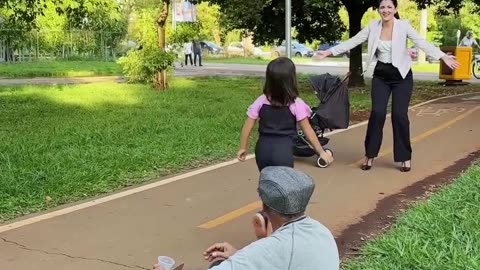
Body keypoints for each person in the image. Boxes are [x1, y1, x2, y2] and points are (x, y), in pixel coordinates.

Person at [314, 0, 459, 172]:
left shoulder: (403, 26)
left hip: (402, 76)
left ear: (395, 9)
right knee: (377, 113)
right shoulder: (373, 27)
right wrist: (329, 52)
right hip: (381, 75)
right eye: (382, 7)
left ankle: (404, 157)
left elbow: (421, 42)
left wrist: (442, 56)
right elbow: (353, 41)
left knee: (399, 115)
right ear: (378, 10)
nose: (386, 10)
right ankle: (370, 155)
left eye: (389, 7)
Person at [153, 166, 340, 270]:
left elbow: (273, 253)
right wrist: (238, 255)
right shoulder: (321, 231)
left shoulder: (271, 248)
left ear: (264, 208)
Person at [237, 57, 333, 172]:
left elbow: (247, 126)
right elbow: (308, 131)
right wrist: (321, 152)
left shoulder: (261, 100)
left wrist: (242, 147)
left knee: (267, 181)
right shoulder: (296, 104)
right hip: (283, 152)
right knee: (284, 184)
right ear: (292, 80)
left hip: (262, 149)